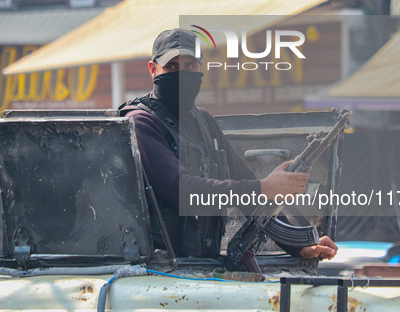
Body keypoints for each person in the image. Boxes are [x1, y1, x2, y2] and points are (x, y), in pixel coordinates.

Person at [119, 28, 337, 260]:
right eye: (172, 66)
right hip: (156, 270)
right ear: (153, 70)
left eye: (190, 66)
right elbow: (181, 191)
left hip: (201, 264)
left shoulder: (204, 122)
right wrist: (264, 188)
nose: (181, 74)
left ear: (201, 67)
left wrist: (299, 245)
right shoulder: (140, 122)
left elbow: (249, 191)